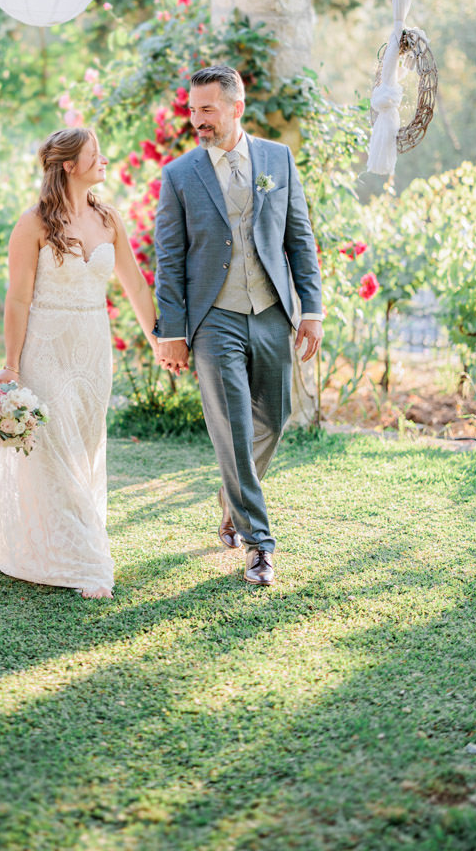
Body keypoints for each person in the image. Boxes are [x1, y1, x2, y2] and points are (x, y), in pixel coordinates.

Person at [0, 128, 158, 599]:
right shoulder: (33, 223)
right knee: (56, 447)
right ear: (70, 165)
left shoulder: (109, 219)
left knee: (86, 444)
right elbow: (17, 299)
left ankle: (68, 530)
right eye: (96, 154)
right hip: (46, 347)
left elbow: (134, 285)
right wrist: (11, 366)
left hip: (93, 348)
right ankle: (81, 557)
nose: (105, 159)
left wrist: (158, 341)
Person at [153, 65, 322, 587]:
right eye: (192, 109)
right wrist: (172, 331)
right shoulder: (180, 175)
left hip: (271, 311)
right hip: (213, 319)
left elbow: (299, 236)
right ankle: (259, 544)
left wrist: (310, 308)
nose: (197, 119)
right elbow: (170, 257)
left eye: (207, 109)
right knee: (234, 427)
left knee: (276, 415)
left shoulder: (277, 159)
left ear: (235, 108)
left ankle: (232, 493)